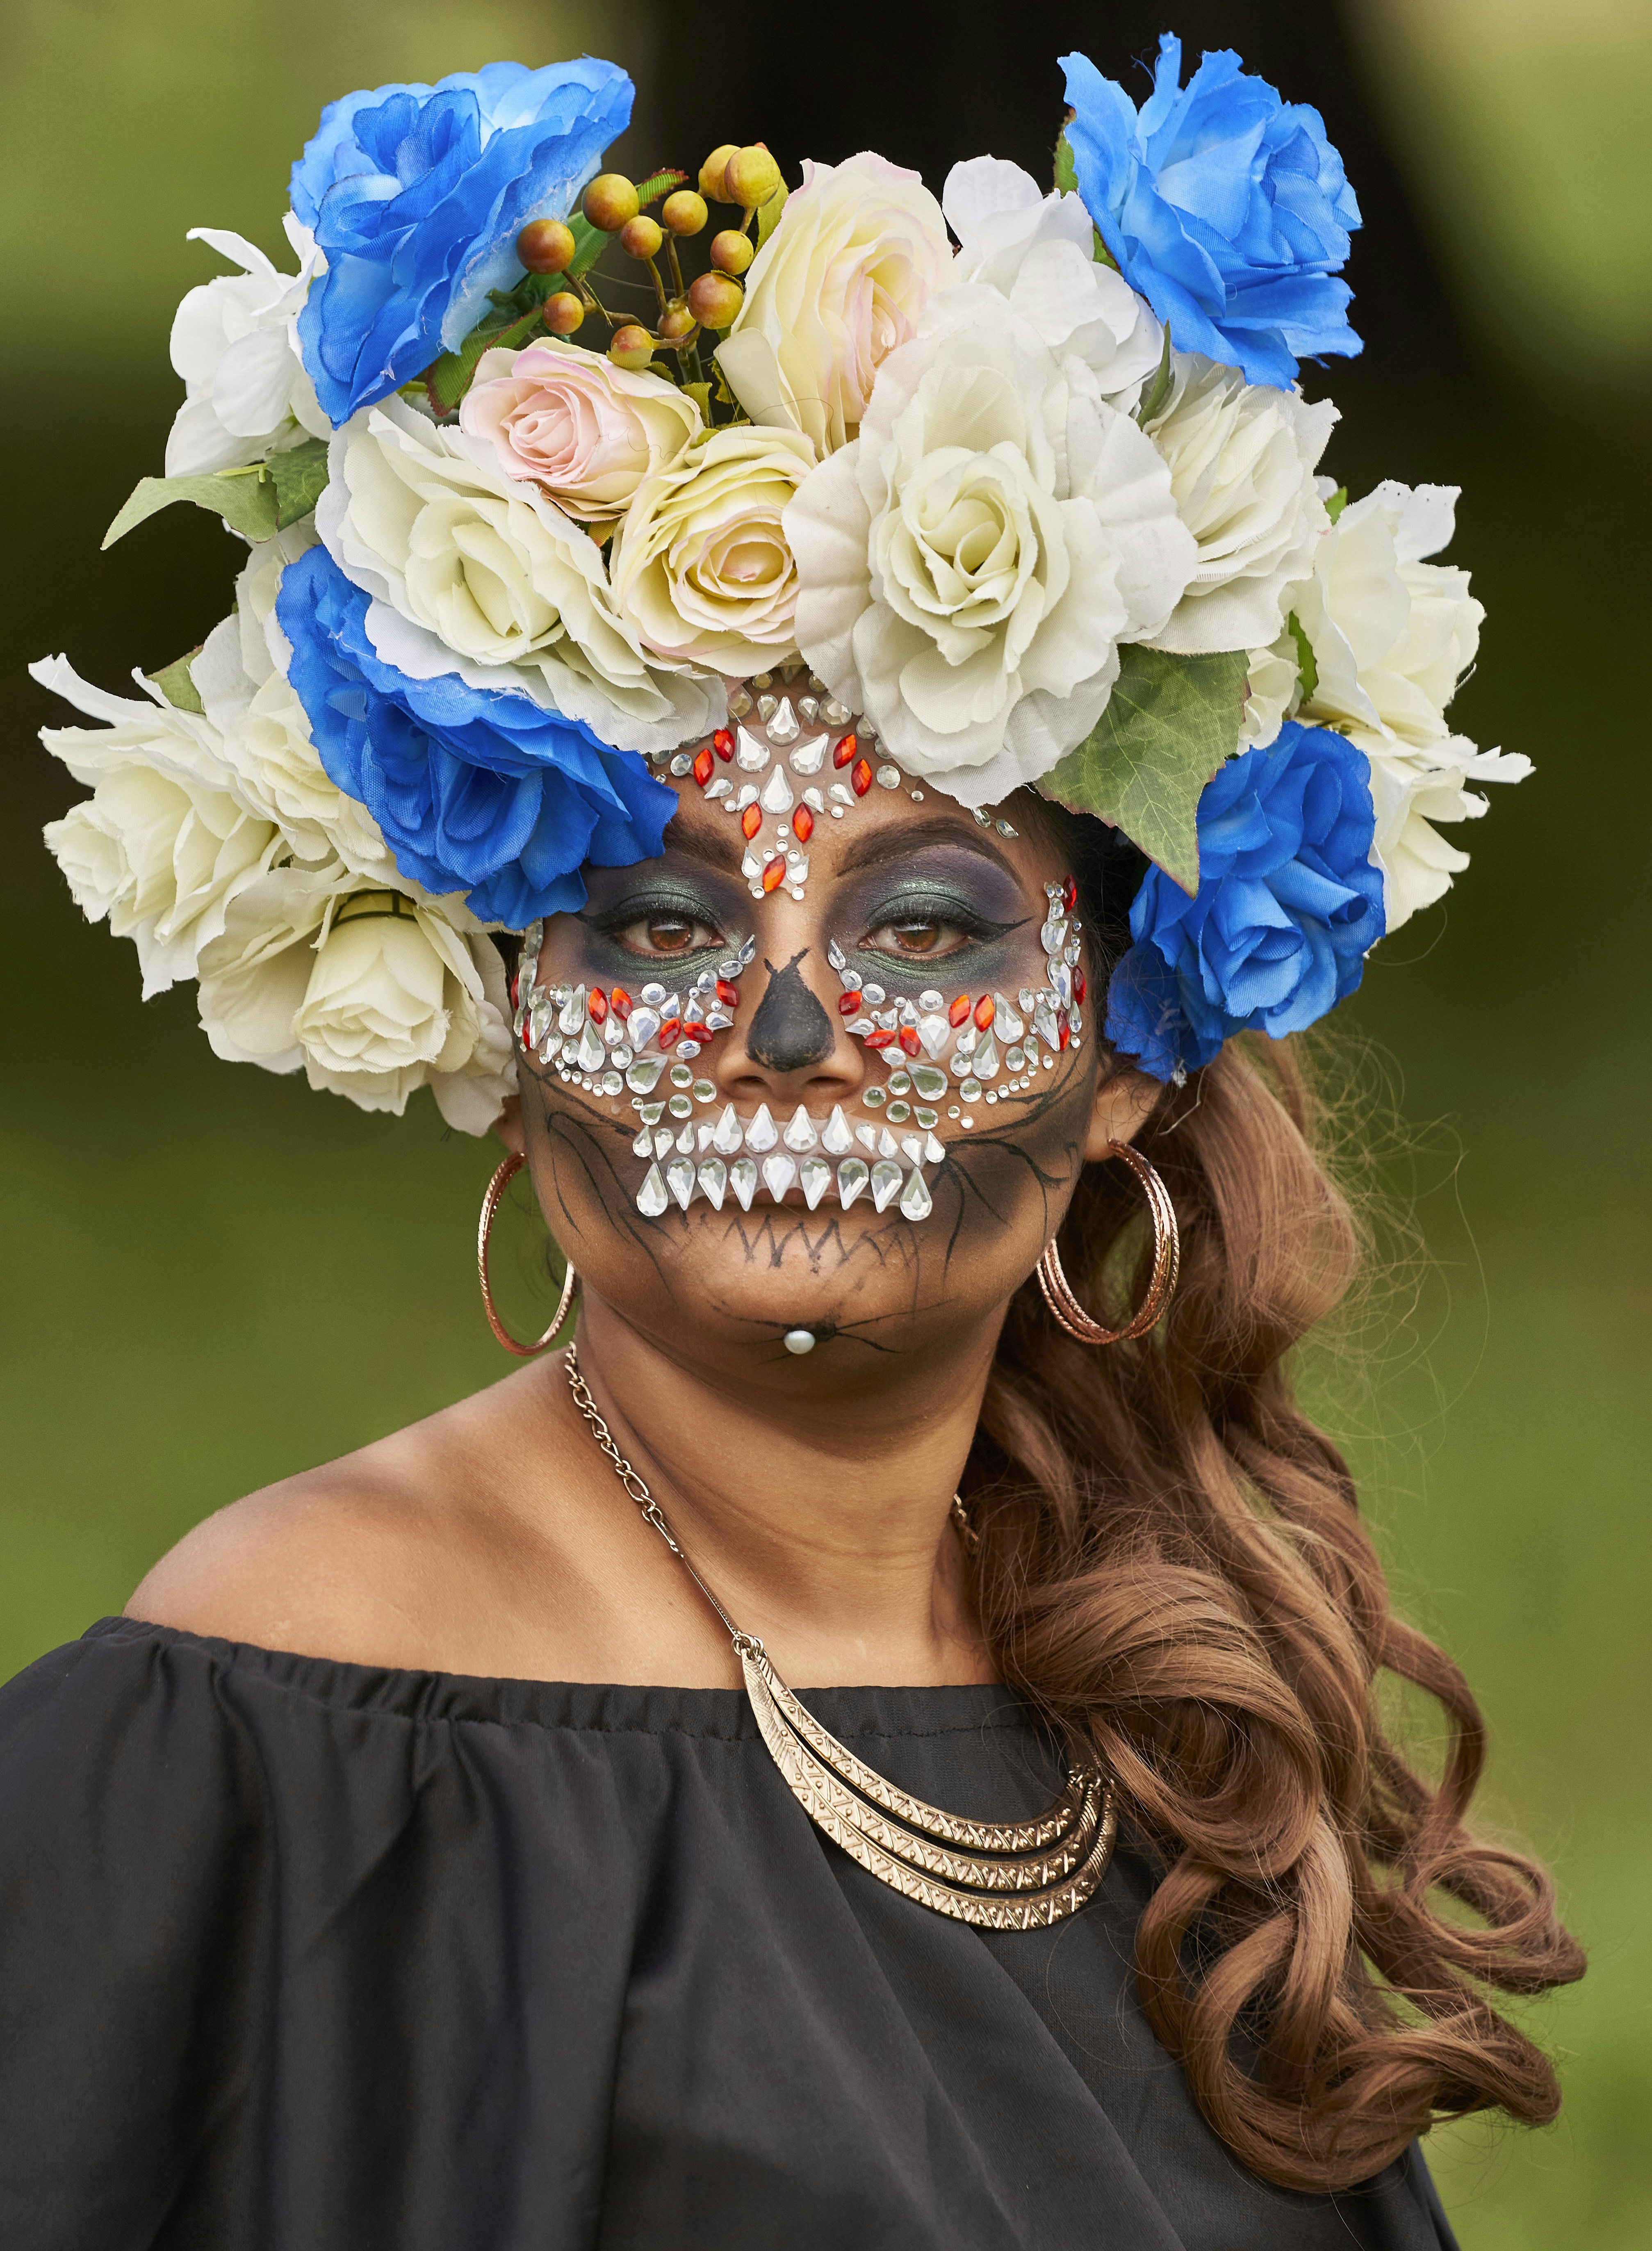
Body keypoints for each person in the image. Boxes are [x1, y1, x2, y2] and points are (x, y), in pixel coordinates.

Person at [3, 34, 1579, 2250]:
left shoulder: (1158, 1727)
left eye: (928, 923)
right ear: (511, 1023)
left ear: (1133, 1045)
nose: (784, 1017)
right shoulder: (305, 1709)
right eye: (655, 918)